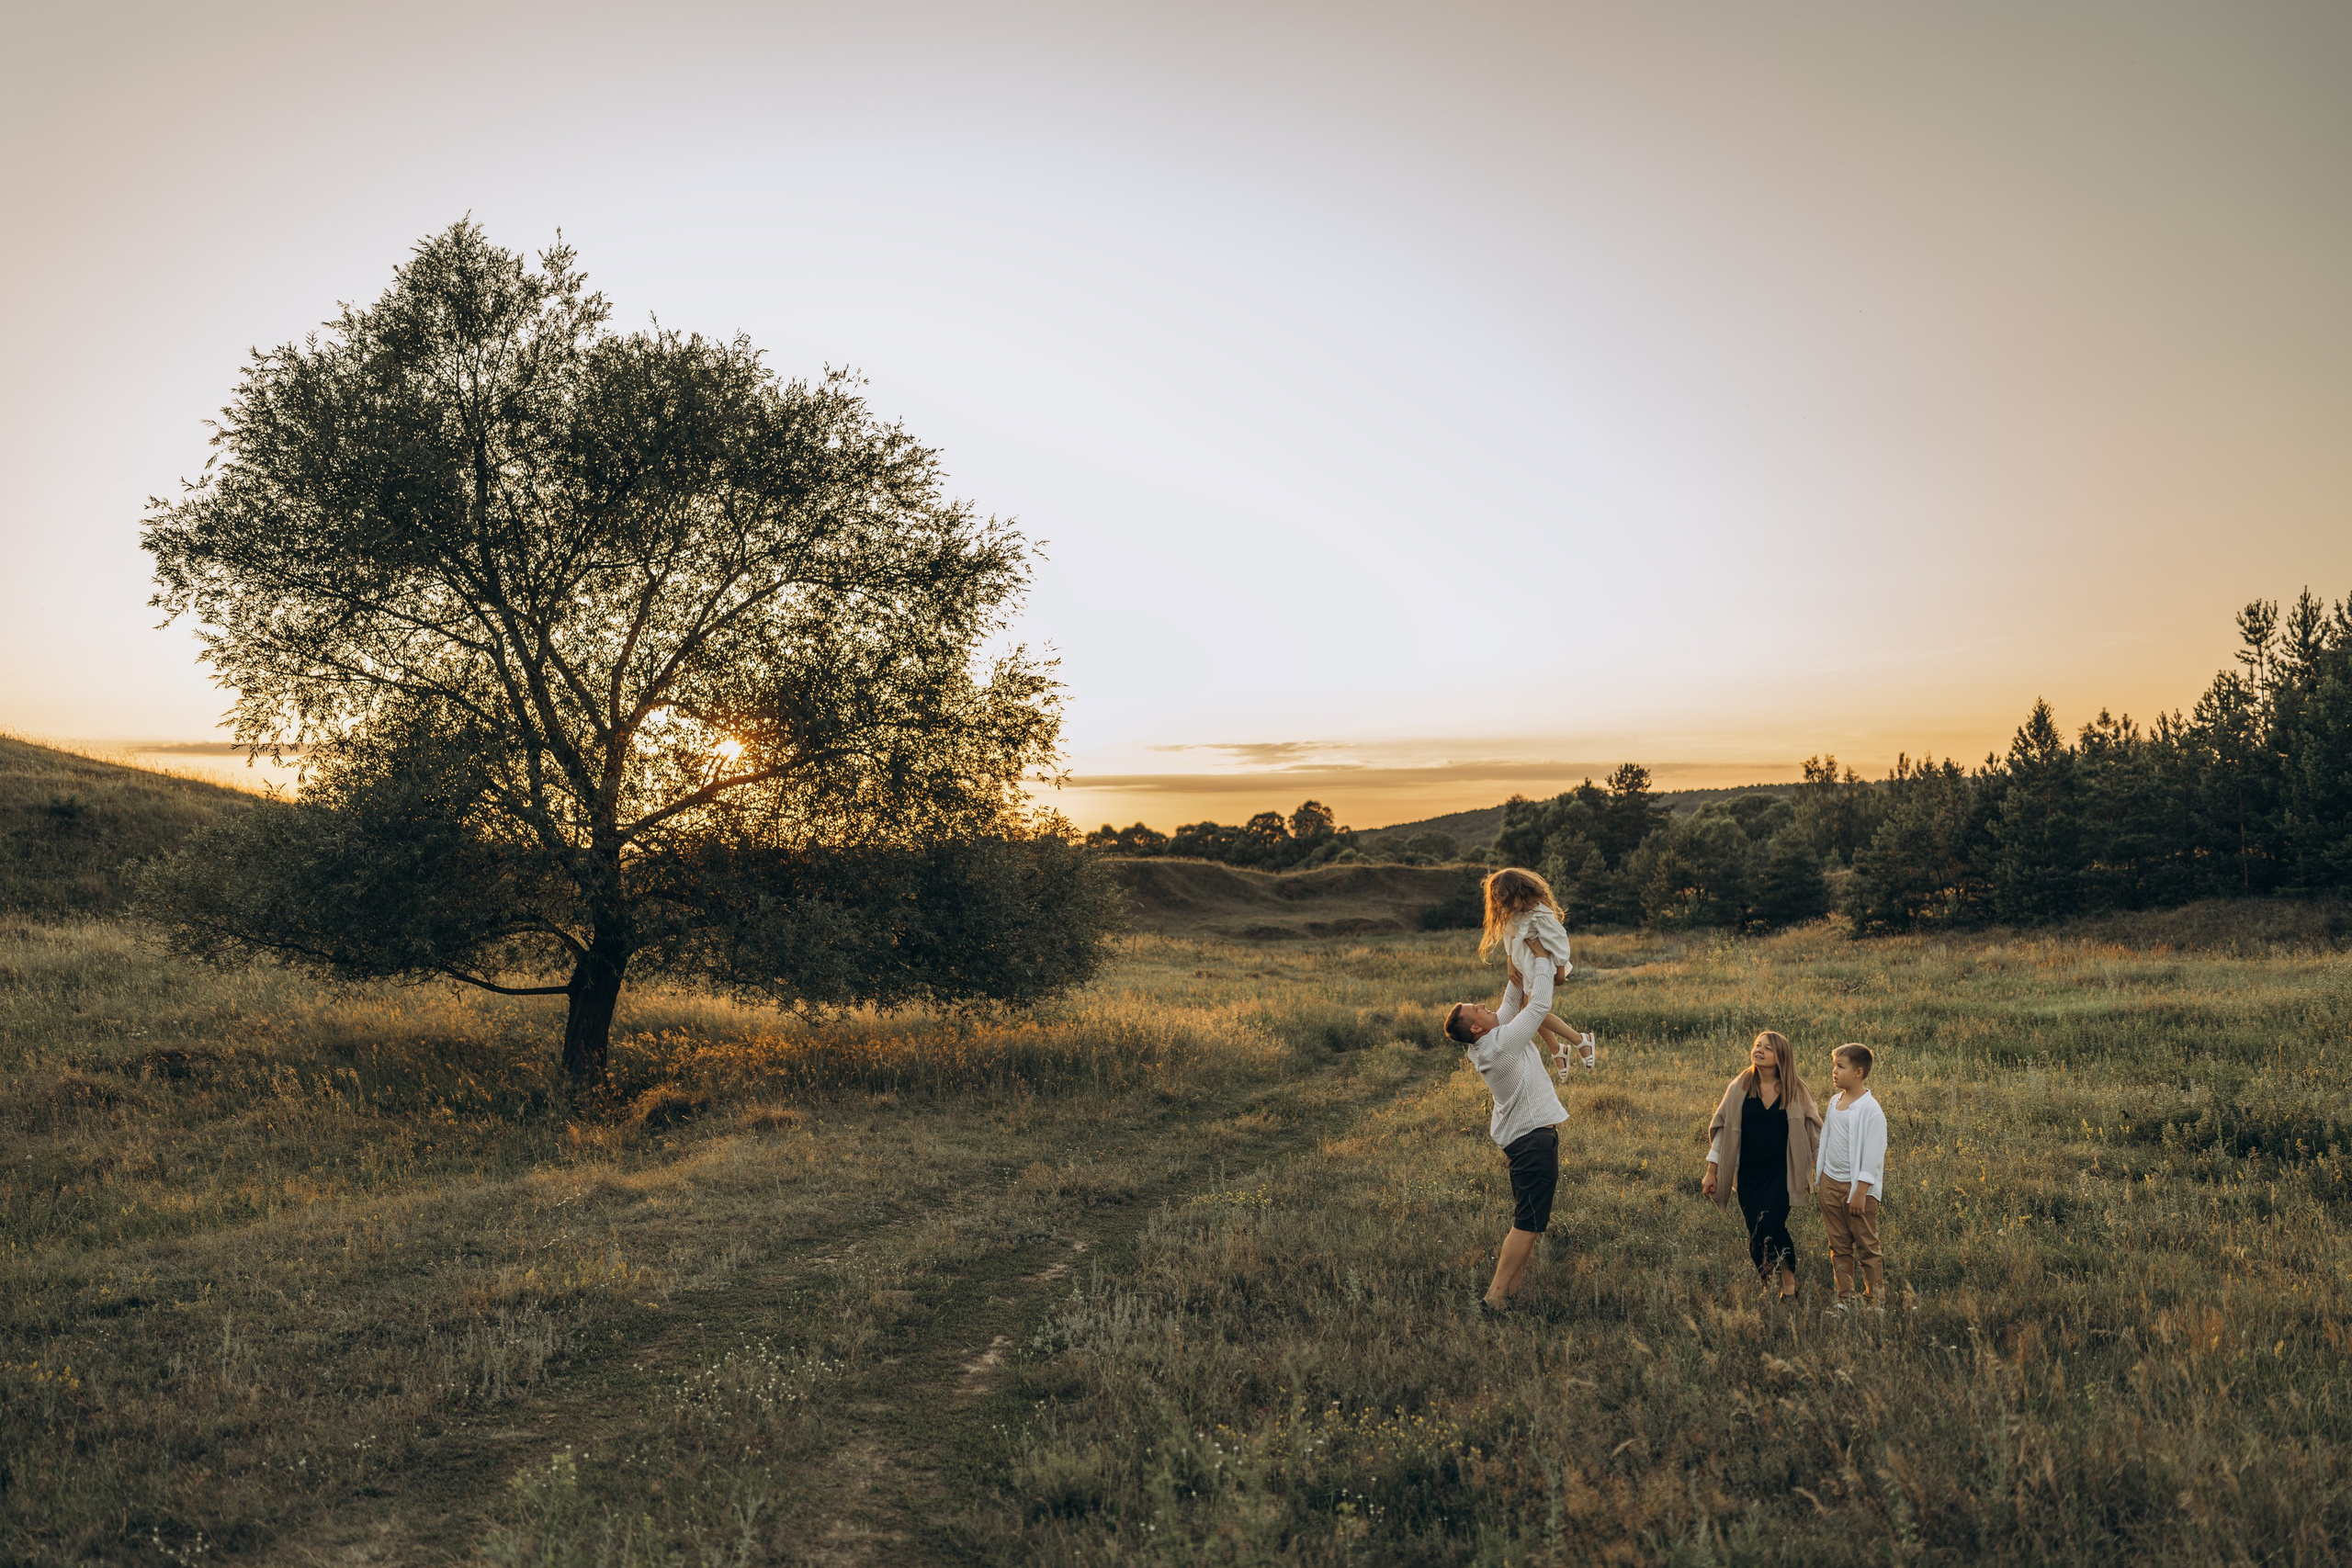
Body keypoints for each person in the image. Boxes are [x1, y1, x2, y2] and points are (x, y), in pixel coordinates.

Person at [1443, 924, 1571, 1315]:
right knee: (1526, 1223)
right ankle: (1495, 1298)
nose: (1485, 1007)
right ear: (1477, 1028)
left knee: (1530, 1222)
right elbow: (1535, 1007)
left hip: (1527, 1140)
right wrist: (1544, 959)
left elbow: (1510, 1003)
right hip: (1532, 1141)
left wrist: (1516, 968)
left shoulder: (1488, 1040)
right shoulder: (1501, 1044)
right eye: (1477, 1010)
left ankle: (1507, 1296)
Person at [1702, 1031, 1822, 1301]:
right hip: (1749, 1175)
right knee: (1758, 1231)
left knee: (1770, 1223)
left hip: (1784, 1172)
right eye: (1757, 1045)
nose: (1759, 1050)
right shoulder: (1740, 1088)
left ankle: (1788, 1283)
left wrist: (1820, 1160)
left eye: (1767, 1048)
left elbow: (1812, 1127)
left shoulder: (1795, 1089)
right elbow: (1723, 1132)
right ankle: (1768, 1282)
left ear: (1781, 1057)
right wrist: (1712, 1171)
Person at [1478, 867, 1597, 1073]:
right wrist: (1510, 961)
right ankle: (1557, 1049)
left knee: (1532, 1012)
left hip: (1541, 966)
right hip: (1524, 967)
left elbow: (1559, 941)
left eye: (1506, 901)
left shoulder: (1538, 914)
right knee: (1529, 1013)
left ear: (1521, 893)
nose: (1502, 906)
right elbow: (1510, 937)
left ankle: (1580, 1040)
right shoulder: (1512, 913)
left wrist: (1560, 971)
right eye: (1498, 901)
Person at [1815, 1043, 1888, 1311]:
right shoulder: (1835, 1102)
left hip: (1857, 1190)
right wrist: (1821, 1177)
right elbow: (1828, 1139)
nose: (1834, 1071)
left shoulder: (1871, 1110)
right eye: (1834, 1065)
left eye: (1840, 1066)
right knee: (1839, 1245)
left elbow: (1873, 1154)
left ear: (1858, 1072)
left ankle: (1875, 1303)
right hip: (1831, 1184)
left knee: (1867, 1246)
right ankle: (1844, 1300)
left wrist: (1861, 1191)